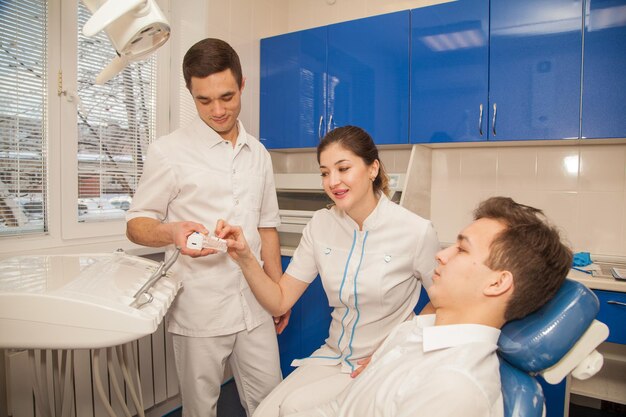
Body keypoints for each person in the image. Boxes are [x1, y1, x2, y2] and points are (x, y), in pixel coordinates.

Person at [217, 125, 440, 416]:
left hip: (381, 362)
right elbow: (280, 300)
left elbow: (445, 302)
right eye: (324, 172)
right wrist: (245, 257)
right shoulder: (320, 225)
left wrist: (394, 351)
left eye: (343, 168)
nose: (333, 181)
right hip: (332, 356)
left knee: (294, 409)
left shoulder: (416, 231)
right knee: (266, 412)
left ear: (373, 169)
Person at [283, 196, 573, 417]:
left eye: (461, 249)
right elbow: (346, 406)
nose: (441, 255)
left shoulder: (453, 389)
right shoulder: (416, 331)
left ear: (497, 284)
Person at [125, 38, 284, 417]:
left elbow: (267, 227)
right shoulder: (169, 152)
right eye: (204, 100)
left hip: (254, 304)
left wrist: (277, 293)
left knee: (273, 402)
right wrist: (172, 232)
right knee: (201, 410)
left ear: (242, 84)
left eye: (227, 96)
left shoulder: (258, 153)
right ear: (190, 93)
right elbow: (136, 224)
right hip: (200, 308)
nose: (217, 110)